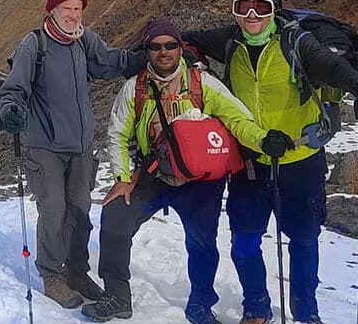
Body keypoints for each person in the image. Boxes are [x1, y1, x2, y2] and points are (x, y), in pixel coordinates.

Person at [184, 0, 358, 324]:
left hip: (301, 159)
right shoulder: (230, 41)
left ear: (273, 8)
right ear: (234, 12)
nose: (251, 14)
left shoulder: (297, 42)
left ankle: (307, 312)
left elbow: (333, 67)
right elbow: (187, 38)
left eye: (260, 7)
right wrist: (188, 55)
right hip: (250, 160)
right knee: (245, 242)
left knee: (304, 240)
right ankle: (257, 307)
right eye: (242, 7)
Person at [81, 18, 277, 323]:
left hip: (199, 182)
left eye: (170, 45)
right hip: (152, 175)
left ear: (180, 47)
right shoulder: (135, 88)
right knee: (116, 217)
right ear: (146, 50)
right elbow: (117, 133)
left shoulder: (203, 83)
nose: (163, 52)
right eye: (155, 46)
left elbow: (239, 119)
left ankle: (200, 303)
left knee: (201, 242)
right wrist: (121, 179)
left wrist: (264, 141)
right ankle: (117, 296)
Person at [0, 0, 144, 308]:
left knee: (78, 210)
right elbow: (14, 89)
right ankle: (52, 276)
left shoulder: (83, 39)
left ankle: (77, 270)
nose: (73, 14)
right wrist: (11, 111)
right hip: (44, 144)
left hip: (80, 145)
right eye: (67, 7)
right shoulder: (34, 44)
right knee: (54, 210)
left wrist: (142, 59)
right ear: (53, 9)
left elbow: (108, 63)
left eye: (78, 7)